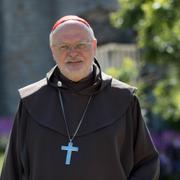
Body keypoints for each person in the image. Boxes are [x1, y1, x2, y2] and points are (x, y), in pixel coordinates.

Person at [0, 15, 160, 180]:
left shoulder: (124, 99)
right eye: (63, 46)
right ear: (52, 50)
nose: (73, 53)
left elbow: (146, 164)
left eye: (81, 45)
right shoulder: (31, 100)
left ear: (94, 46)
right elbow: (13, 169)